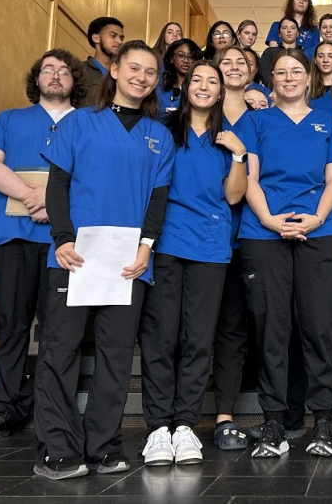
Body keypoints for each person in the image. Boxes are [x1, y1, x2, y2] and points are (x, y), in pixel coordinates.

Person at [33, 40, 173, 480]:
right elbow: (57, 187)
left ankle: (104, 446)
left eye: (151, 72)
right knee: (60, 349)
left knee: (115, 355)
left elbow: (157, 200)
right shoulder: (79, 123)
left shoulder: (159, 135)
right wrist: (62, 237)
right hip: (74, 254)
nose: (142, 77)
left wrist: (146, 247)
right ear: (113, 70)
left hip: (128, 261)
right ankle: (58, 447)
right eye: (134, 68)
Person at [236, 49, 332, 458]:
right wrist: (269, 219)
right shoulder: (255, 120)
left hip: (319, 232)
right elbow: (248, 175)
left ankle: (322, 420)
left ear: (308, 78)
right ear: (271, 79)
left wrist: (317, 218)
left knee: (319, 328)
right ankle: (274, 422)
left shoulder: (329, 123)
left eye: (295, 71)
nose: (288, 78)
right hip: (264, 233)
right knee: (272, 329)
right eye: (280, 72)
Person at [138, 59, 249, 466]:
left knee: (199, 338)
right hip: (164, 243)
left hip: (210, 246)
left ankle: (185, 424)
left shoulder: (228, 139)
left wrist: (239, 156)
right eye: (196, 80)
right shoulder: (163, 130)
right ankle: (157, 428)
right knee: (161, 335)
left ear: (222, 92)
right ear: (185, 87)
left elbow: (235, 197)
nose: (204, 87)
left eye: (212, 82)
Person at [0, 49, 85, 439]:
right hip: (15, 235)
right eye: (47, 70)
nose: (55, 76)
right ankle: (6, 408)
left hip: (67, 241)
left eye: (64, 71)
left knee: (60, 329)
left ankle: (53, 407)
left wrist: (54, 204)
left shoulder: (88, 123)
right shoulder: (8, 119)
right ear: (36, 79)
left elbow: (97, 175)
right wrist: (32, 195)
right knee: (12, 324)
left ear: (76, 80)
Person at [210, 45, 260, 451]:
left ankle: (225, 413)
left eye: (240, 62)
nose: (232, 68)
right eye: (225, 62)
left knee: (233, 327)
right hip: (203, 238)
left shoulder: (262, 119)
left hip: (249, 235)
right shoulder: (200, 116)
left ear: (252, 71)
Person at [157, 38, 202, 114]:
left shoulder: (199, 87)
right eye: (181, 55)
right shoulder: (159, 83)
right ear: (171, 57)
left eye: (190, 57)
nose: (186, 60)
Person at [83, 17, 124, 90]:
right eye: (113, 36)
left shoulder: (123, 71)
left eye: (121, 38)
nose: (119, 41)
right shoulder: (80, 70)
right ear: (96, 38)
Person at [258, 16, 302, 83]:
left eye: (293, 28)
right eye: (284, 28)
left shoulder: (305, 53)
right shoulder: (269, 53)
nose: (289, 30)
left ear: (298, 33)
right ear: (279, 33)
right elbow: (265, 75)